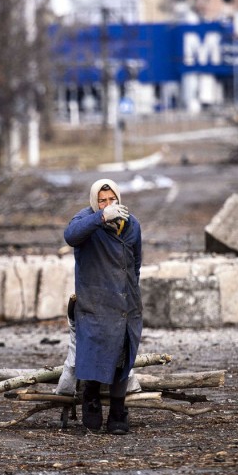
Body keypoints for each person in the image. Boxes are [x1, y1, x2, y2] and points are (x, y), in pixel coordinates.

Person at [63, 178, 142, 434]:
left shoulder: (132, 225)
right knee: (94, 353)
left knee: (122, 356)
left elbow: (136, 263)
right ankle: (92, 399)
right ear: (95, 202)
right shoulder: (85, 222)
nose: (108, 205)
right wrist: (100, 218)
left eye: (112, 200)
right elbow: (70, 236)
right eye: (102, 200)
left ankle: (118, 410)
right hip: (94, 303)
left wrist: (129, 292)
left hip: (125, 303)